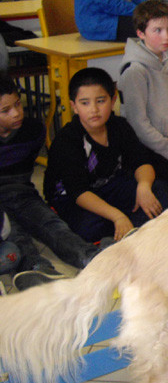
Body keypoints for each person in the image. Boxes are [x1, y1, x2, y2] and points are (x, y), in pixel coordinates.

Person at [44, 68, 168, 243]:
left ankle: (127, 232)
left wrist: (143, 186)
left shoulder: (119, 126)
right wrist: (117, 216)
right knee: (88, 226)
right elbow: (79, 192)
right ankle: (132, 227)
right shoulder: (68, 140)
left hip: (108, 185)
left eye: (101, 101)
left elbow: (141, 161)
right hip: (74, 197)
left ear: (113, 101)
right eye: (85, 103)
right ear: (74, 107)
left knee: (158, 188)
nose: (94, 109)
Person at [0, 77, 101, 291]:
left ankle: (92, 258)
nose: (16, 113)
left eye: (18, 104)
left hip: (22, 192)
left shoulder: (33, 130)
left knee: (52, 226)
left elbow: (25, 171)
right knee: (16, 236)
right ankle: (36, 270)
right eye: (5, 110)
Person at [118, 0, 168, 189]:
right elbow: (139, 126)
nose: (166, 36)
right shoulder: (135, 71)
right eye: (157, 30)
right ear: (141, 34)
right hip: (151, 148)